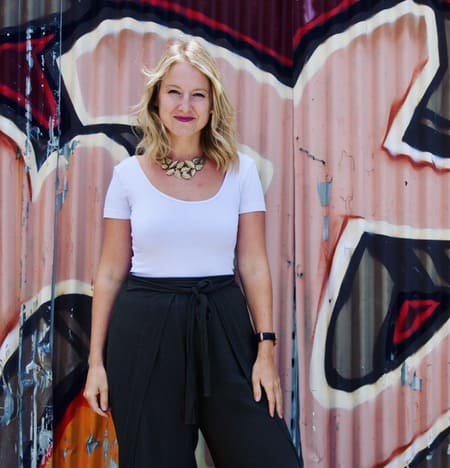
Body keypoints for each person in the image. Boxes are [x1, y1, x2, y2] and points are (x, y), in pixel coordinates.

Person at [83, 39, 301, 468]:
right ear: (157, 100)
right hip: (145, 329)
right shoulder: (127, 177)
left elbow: (253, 264)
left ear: (212, 104)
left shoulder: (241, 172)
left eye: (198, 94)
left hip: (222, 321)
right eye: (174, 92)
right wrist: (96, 363)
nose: (185, 105)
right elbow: (109, 273)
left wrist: (265, 350)